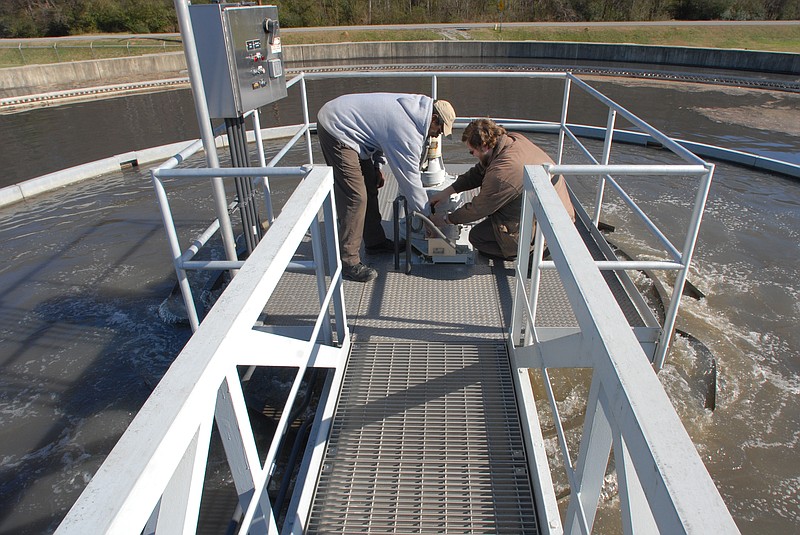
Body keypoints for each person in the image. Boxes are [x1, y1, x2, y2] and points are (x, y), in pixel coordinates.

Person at [317, 93, 456, 282]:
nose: (438, 135)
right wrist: (428, 219)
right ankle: (349, 262)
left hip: (353, 127)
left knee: (371, 184)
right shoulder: (408, 131)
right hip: (337, 127)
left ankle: (375, 243)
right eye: (439, 129)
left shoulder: (415, 110)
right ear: (433, 118)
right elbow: (410, 181)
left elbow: (379, 131)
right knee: (356, 197)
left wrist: (377, 167)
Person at [429, 118, 575, 261]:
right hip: (555, 211)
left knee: (477, 237)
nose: (472, 155)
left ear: (484, 146)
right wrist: (447, 192)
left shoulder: (501, 174)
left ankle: (530, 252)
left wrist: (445, 219)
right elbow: (479, 172)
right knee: (494, 212)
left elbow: (478, 208)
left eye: (472, 152)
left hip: (551, 230)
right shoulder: (512, 140)